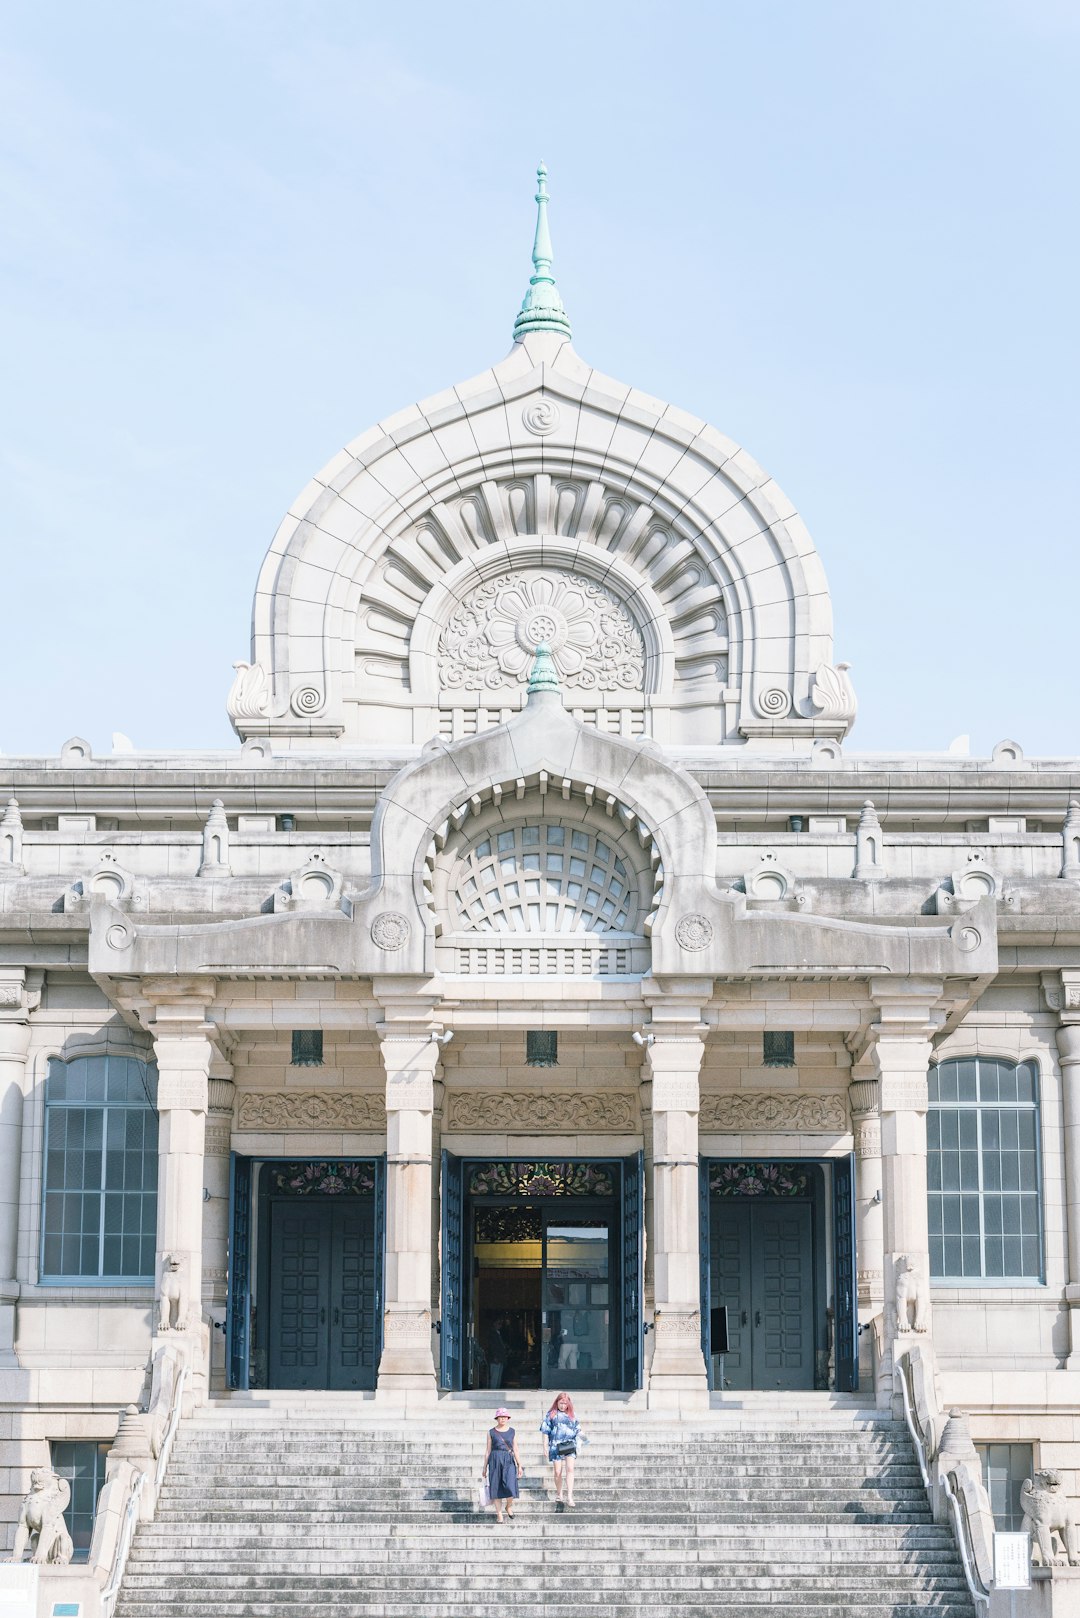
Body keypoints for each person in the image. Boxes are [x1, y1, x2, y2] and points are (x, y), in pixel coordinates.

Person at [540, 1391, 583, 1507]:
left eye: (565, 1403)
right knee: (558, 1472)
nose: (563, 1405)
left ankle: (569, 1496)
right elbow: (545, 1431)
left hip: (569, 1444)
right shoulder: (551, 1414)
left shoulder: (572, 1415)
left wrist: (583, 1441)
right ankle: (559, 1493)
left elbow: (579, 1429)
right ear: (557, 1402)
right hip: (555, 1445)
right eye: (561, 1403)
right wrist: (545, 1446)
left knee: (570, 1469)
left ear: (568, 1404)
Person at [480, 1406, 523, 1523]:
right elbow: (488, 1450)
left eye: (505, 1417)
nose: (503, 1419)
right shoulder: (491, 1432)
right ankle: (499, 1514)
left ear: (508, 1418)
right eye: (500, 1417)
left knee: (510, 1486)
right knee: (496, 1487)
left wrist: (520, 1465)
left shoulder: (512, 1431)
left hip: (508, 1460)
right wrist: (484, 1467)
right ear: (497, 1418)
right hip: (494, 1460)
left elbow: (516, 1449)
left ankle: (508, 1506)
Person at [488, 1315, 509, 1389]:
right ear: (494, 1323)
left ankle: (495, 1390)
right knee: (494, 1378)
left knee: (498, 1378)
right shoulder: (492, 1334)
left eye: (501, 1323)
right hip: (495, 1359)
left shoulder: (498, 1333)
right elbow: (492, 1346)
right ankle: (492, 1393)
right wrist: (495, 1357)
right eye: (498, 1323)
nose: (500, 1325)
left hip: (500, 1359)